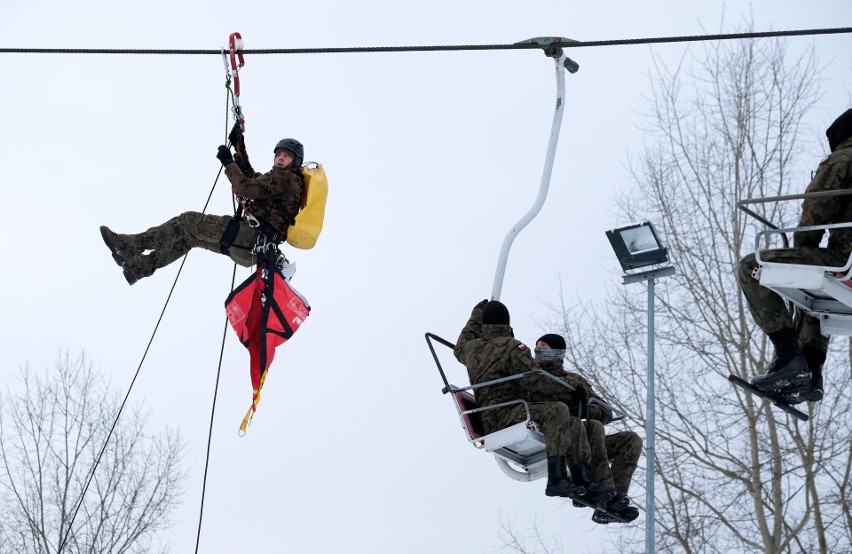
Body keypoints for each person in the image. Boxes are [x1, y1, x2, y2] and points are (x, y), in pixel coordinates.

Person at [737, 108, 852, 403]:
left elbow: (817, 210)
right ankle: (811, 372)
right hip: (846, 266)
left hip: (846, 258)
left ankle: (789, 357)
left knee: (752, 265)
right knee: (812, 287)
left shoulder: (844, 159)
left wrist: (804, 245)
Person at [453, 300, 617, 506]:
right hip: (509, 414)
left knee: (573, 423)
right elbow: (536, 381)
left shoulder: (471, 349)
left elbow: (460, 345)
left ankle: (583, 479)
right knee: (557, 410)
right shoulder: (513, 347)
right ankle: (557, 478)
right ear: (506, 322)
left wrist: (475, 315)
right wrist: (572, 391)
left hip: (489, 418)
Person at [100, 123, 305, 285]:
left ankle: (129, 245)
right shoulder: (283, 182)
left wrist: (229, 163)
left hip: (250, 238)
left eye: (286, 156)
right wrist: (239, 146)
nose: (280, 158)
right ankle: (140, 268)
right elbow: (252, 179)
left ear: (295, 162)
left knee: (188, 221)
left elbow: (246, 187)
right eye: (278, 153)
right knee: (190, 238)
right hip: (251, 251)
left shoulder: (286, 179)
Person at [531, 333, 641, 524]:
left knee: (630, 440)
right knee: (594, 427)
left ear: (557, 351)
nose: (539, 350)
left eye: (544, 346)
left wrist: (583, 407)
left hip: (585, 439)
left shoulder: (574, 380)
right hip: (560, 436)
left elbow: (606, 412)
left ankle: (615, 499)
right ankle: (604, 491)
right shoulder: (532, 376)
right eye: (538, 346)